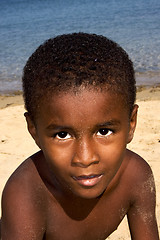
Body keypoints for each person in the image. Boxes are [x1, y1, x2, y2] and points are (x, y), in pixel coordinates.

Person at [1, 33, 159, 240]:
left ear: (131, 124)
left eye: (104, 131)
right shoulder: (26, 194)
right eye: (62, 134)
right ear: (34, 130)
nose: (85, 158)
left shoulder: (136, 177)